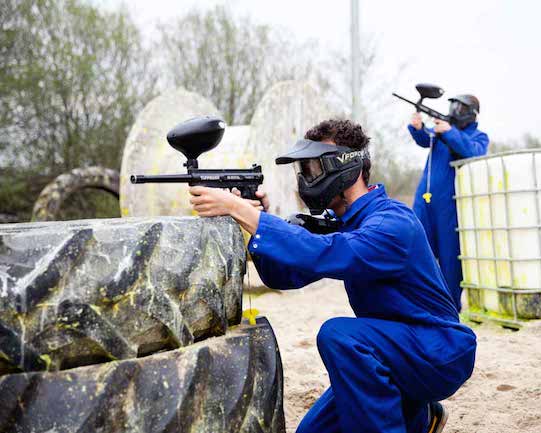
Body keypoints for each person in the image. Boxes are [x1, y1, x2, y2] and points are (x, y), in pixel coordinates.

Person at [189, 119, 476, 433]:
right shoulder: (343, 222)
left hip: (439, 351)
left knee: (340, 336)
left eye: (313, 168)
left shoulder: (392, 225)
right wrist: (258, 217)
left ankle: (412, 409)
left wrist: (243, 211)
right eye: (305, 170)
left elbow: (320, 252)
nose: (307, 178)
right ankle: (419, 416)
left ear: (346, 167)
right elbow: (284, 275)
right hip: (395, 353)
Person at [408, 95, 489, 311]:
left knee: (450, 259)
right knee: (415, 248)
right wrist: (417, 127)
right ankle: (418, 303)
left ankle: (450, 309)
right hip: (425, 201)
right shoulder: (440, 133)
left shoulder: (479, 137)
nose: (455, 110)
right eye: (453, 105)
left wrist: (450, 133)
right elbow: (425, 139)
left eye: (460, 107)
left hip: (452, 206)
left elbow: (474, 153)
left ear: (471, 112)